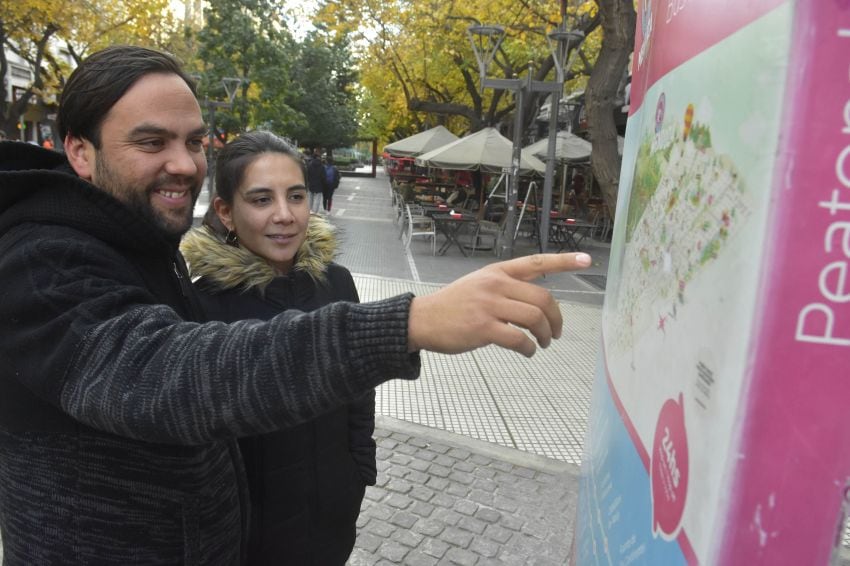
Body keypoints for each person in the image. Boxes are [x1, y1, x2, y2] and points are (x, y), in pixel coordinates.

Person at [0, 45, 590, 564]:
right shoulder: (40, 259)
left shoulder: (138, 244)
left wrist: (356, 473)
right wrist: (409, 322)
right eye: (151, 142)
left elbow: (348, 411)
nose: (183, 163)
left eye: (194, 141)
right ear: (79, 150)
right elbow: (169, 374)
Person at [181, 131, 373, 564]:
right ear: (226, 213)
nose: (285, 215)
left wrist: (357, 470)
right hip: (246, 538)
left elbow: (359, 387)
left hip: (332, 519)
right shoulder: (200, 305)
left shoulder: (336, 282)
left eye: (296, 196)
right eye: (262, 200)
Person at [306, 149, 327, 214]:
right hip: (319, 184)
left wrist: (308, 182)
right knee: (317, 199)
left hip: (311, 184)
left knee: (310, 198)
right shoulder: (322, 166)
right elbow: (323, 177)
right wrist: (324, 184)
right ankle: (315, 212)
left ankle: (309, 211)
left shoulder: (309, 165)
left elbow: (307, 174)